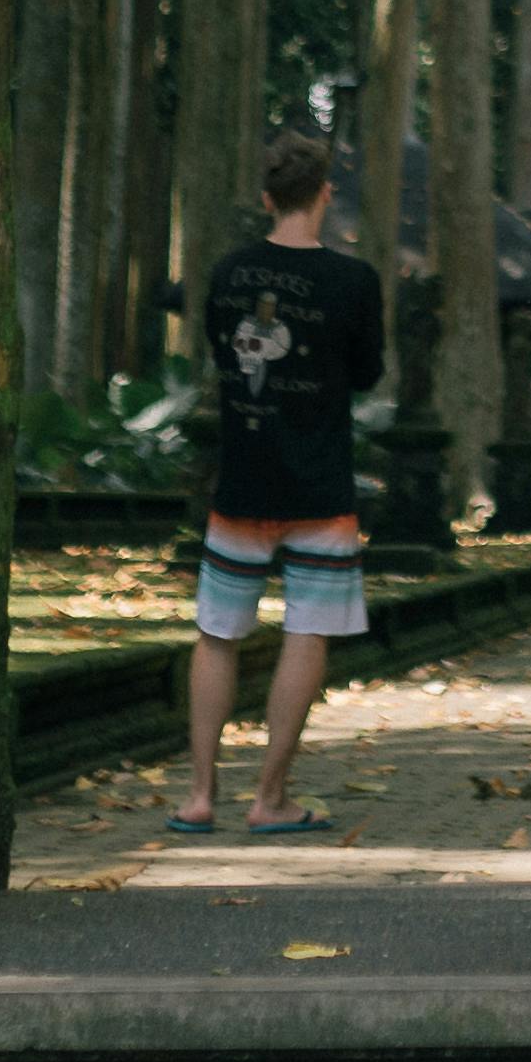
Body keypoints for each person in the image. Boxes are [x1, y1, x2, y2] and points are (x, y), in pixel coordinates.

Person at [171, 129, 384, 837]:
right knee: (307, 631)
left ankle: (200, 796)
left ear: (266, 199)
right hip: (320, 486)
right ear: (325, 194)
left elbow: (219, 355)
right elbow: (366, 374)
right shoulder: (355, 283)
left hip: (241, 480)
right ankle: (269, 799)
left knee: (217, 632)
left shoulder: (230, 275)